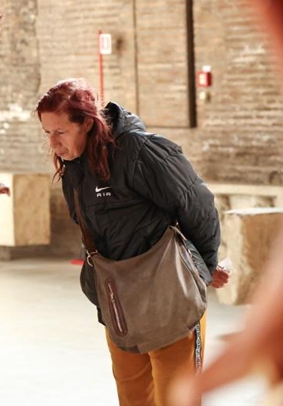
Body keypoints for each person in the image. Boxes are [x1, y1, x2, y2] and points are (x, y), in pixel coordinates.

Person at [36, 78, 230, 406]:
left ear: (86, 122)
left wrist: (204, 268)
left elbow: (197, 205)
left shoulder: (140, 151)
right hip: (119, 302)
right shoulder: (74, 167)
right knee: (133, 399)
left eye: (60, 132)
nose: (54, 144)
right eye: (47, 133)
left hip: (171, 298)